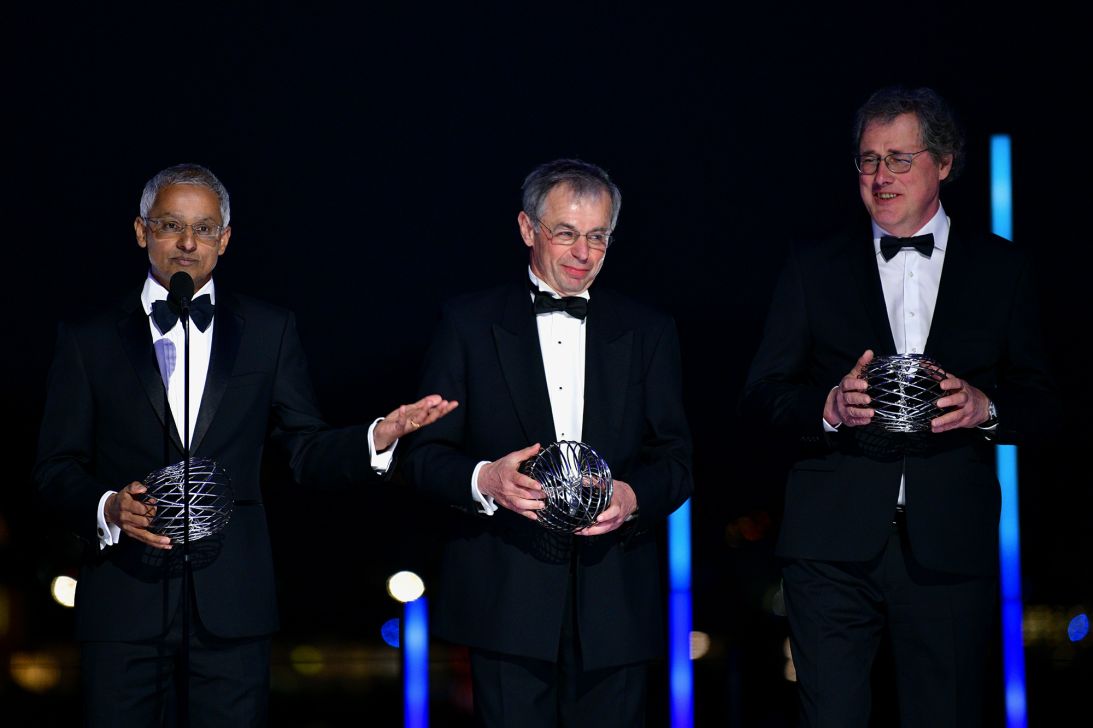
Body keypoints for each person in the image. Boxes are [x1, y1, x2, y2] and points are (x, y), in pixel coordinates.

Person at [33, 163, 456, 726]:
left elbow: (304, 451)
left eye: (204, 229)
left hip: (233, 606)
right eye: (170, 226)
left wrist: (374, 437)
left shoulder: (269, 330)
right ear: (141, 231)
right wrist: (108, 506)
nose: (187, 243)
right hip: (122, 607)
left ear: (225, 239)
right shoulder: (87, 340)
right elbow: (54, 469)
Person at [742, 87, 1056, 727]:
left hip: (948, 546)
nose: (880, 177)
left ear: (944, 164)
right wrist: (827, 407)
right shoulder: (812, 267)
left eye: (899, 159)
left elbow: (1045, 403)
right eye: (867, 161)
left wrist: (984, 407)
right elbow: (761, 398)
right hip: (829, 547)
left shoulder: (1003, 269)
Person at [405, 159, 693, 727]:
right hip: (505, 602)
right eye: (566, 233)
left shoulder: (649, 330)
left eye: (598, 237)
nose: (583, 253)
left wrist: (632, 496)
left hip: (617, 605)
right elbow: (422, 458)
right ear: (526, 228)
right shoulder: (466, 323)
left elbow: (677, 461)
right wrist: (484, 480)